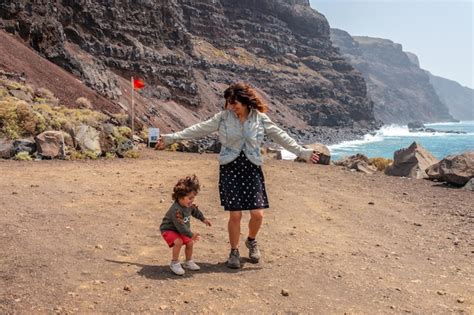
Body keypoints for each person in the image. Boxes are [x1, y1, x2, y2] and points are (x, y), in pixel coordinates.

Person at [156, 82, 319, 269]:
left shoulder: (259, 118)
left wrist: (302, 152)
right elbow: (198, 129)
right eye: (228, 103)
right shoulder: (223, 118)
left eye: (234, 103)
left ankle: (251, 240)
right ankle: (234, 251)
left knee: (257, 214)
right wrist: (172, 138)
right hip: (230, 168)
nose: (231, 107)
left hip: (252, 168)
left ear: (245, 101)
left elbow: (281, 136)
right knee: (235, 214)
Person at [160, 175, 212, 275]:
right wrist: (191, 234)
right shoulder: (176, 210)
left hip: (181, 230)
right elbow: (181, 226)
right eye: (190, 198)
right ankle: (174, 263)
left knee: (190, 243)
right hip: (169, 229)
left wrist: (203, 219)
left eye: (193, 198)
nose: (192, 200)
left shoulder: (188, 205)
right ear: (180, 197)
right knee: (178, 242)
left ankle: (188, 262)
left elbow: (195, 211)